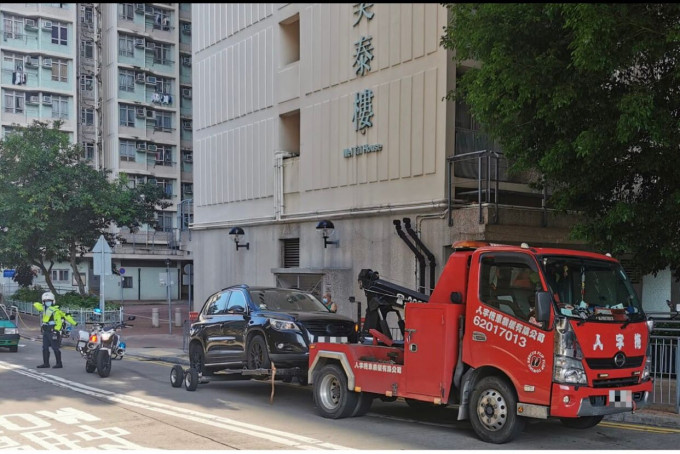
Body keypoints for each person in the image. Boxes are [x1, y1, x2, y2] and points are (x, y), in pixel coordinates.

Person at [33, 291, 77, 369]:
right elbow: (36, 304)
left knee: (55, 347)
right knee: (45, 347)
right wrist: (44, 304)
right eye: (45, 301)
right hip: (46, 331)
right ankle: (46, 363)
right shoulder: (43, 309)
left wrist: (74, 323)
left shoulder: (57, 310)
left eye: (49, 301)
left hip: (54, 331)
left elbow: (67, 316)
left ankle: (59, 363)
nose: (47, 303)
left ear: (53, 301)